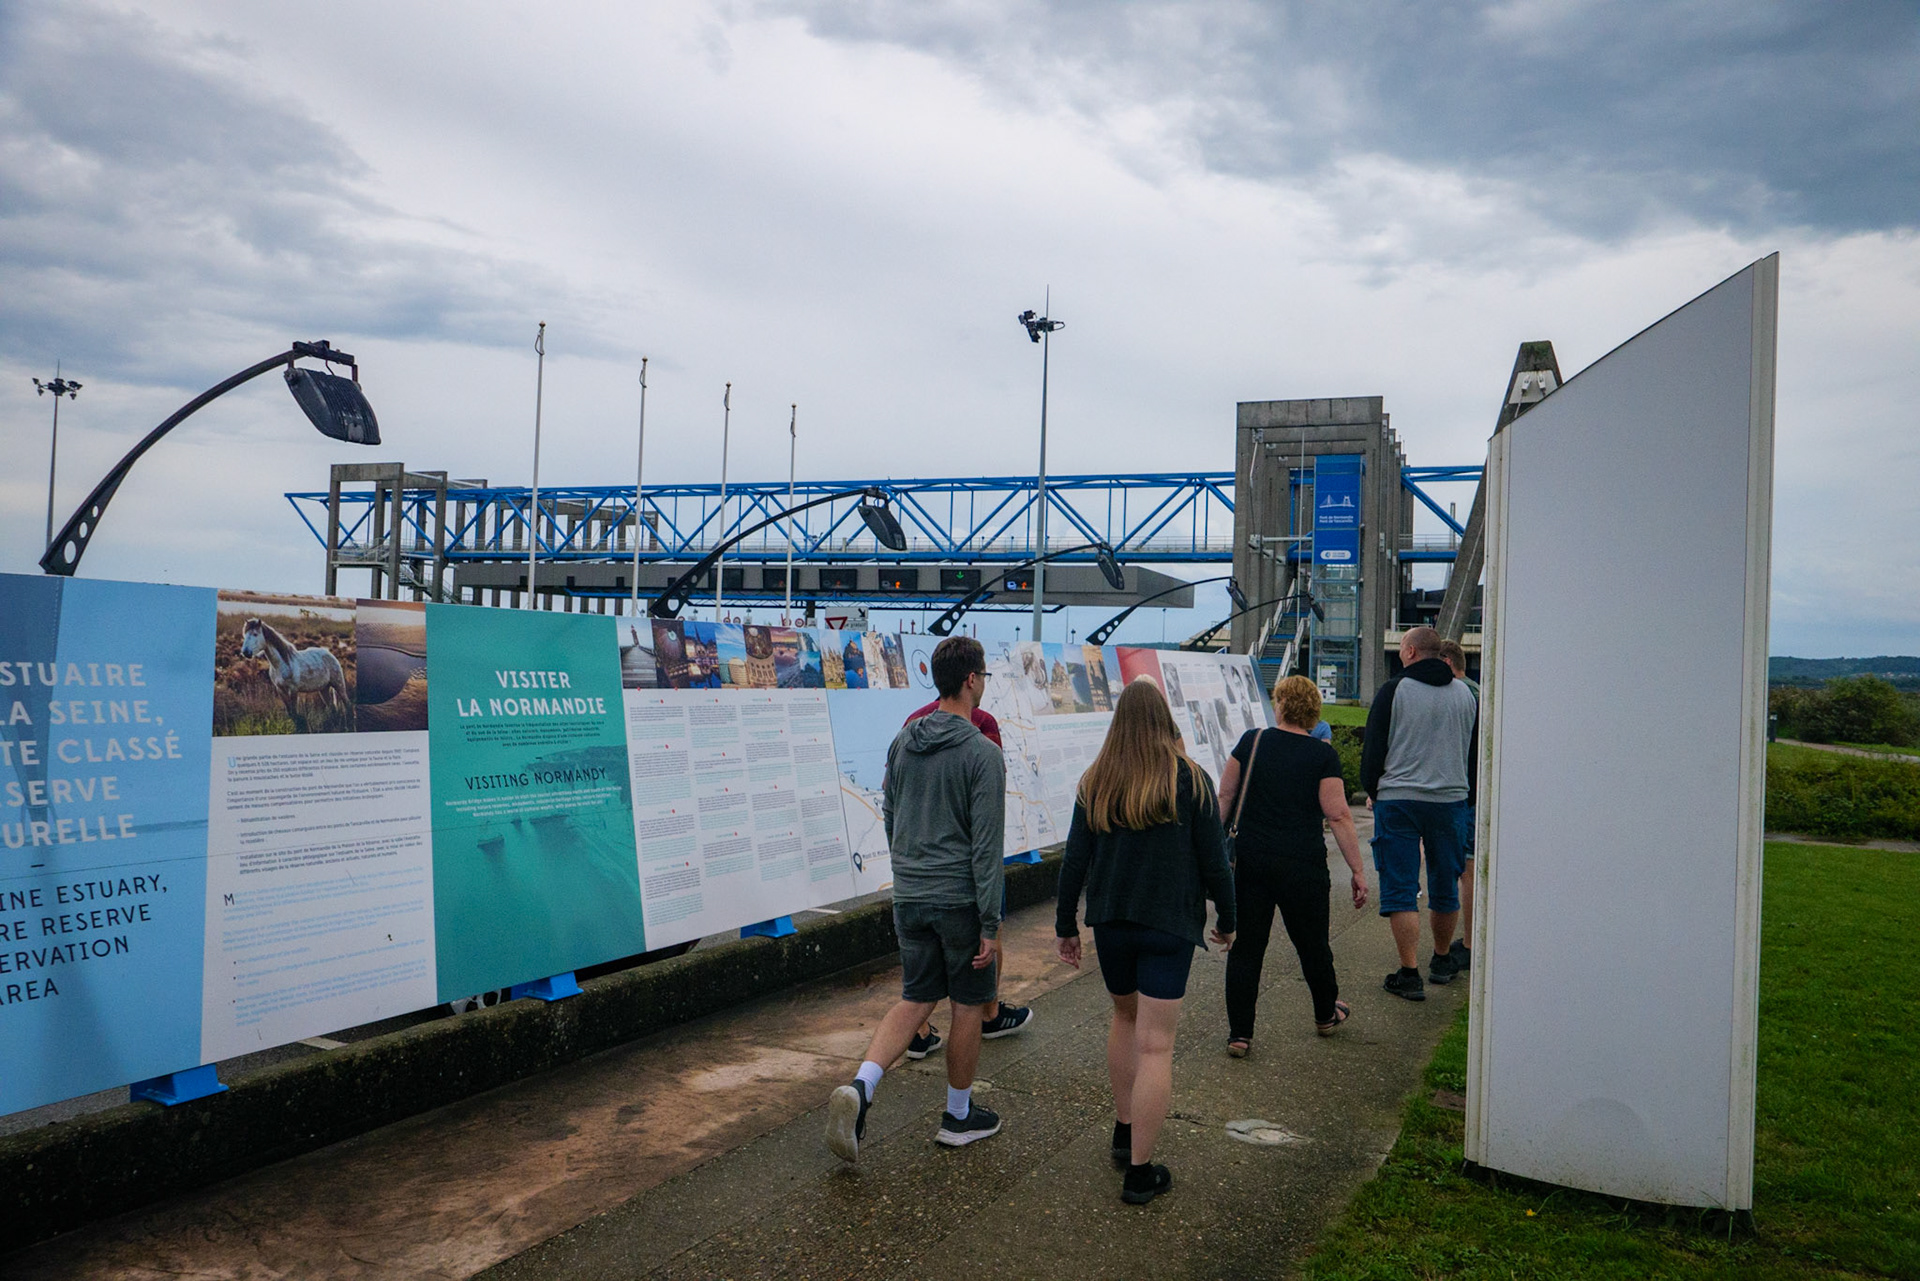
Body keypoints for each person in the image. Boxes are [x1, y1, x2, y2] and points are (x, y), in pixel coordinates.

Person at [1055, 679, 1237, 1206]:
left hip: (1112, 922)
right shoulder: (1192, 779)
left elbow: (1074, 860)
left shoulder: (1097, 780)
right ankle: (1139, 1172)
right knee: (1157, 1045)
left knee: (1124, 1017)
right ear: (1165, 719)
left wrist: (1066, 925)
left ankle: (1123, 1126)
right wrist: (1228, 918)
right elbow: (1215, 861)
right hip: (1168, 925)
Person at [826, 637, 1008, 1161]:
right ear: (971, 680)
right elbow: (986, 847)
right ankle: (958, 1116)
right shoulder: (982, 754)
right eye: (983, 677)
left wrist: (909, 871)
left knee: (915, 998)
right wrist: (991, 924)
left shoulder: (903, 742)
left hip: (910, 894)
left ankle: (861, 1087)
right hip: (959, 900)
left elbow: (890, 815)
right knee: (968, 1003)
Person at [1218, 675, 1368, 1053]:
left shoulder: (1252, 742)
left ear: (1281, 705)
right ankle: (1325, 1014)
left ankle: (1240, 1034)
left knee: (1246, 948)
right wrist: (1357, 869)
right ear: (1313, 712)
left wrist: (1207, 853)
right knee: (1313, 944)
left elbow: (1225, 796)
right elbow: (1338, 816)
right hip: (1303, 865)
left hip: (1251, 861)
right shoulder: (1322, 756)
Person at [900, 692, 1033, 1057]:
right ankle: (989, 1016)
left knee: (919, 975)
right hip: (963, 869)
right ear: (971, 679)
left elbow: (890, 790)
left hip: (916, 869)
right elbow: (990, 793)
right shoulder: (983, 724)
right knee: (984, 950)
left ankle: (916, 1034)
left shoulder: (911, 725)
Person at [1361, 625, 1477, 1001]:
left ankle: (1409, 972)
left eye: (1402, 648)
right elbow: (1472, 754)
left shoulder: (1394, 690)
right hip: (1450, 800)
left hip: (1399, 799)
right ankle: (1442, 959)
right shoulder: (1464, 695)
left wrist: (1374, 790)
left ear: (1411, 651)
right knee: (1445, 883)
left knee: (1401, 887)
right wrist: (1465, 793)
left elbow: (1374, 749)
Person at [1435, 638, 1479, 975]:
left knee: (1467, 868)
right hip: (1477, 791)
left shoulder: (1459, 694)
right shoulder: (1478, 692)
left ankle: (1469, 945)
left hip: (1463, 794)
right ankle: (1469, 940)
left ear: (1447, 662)